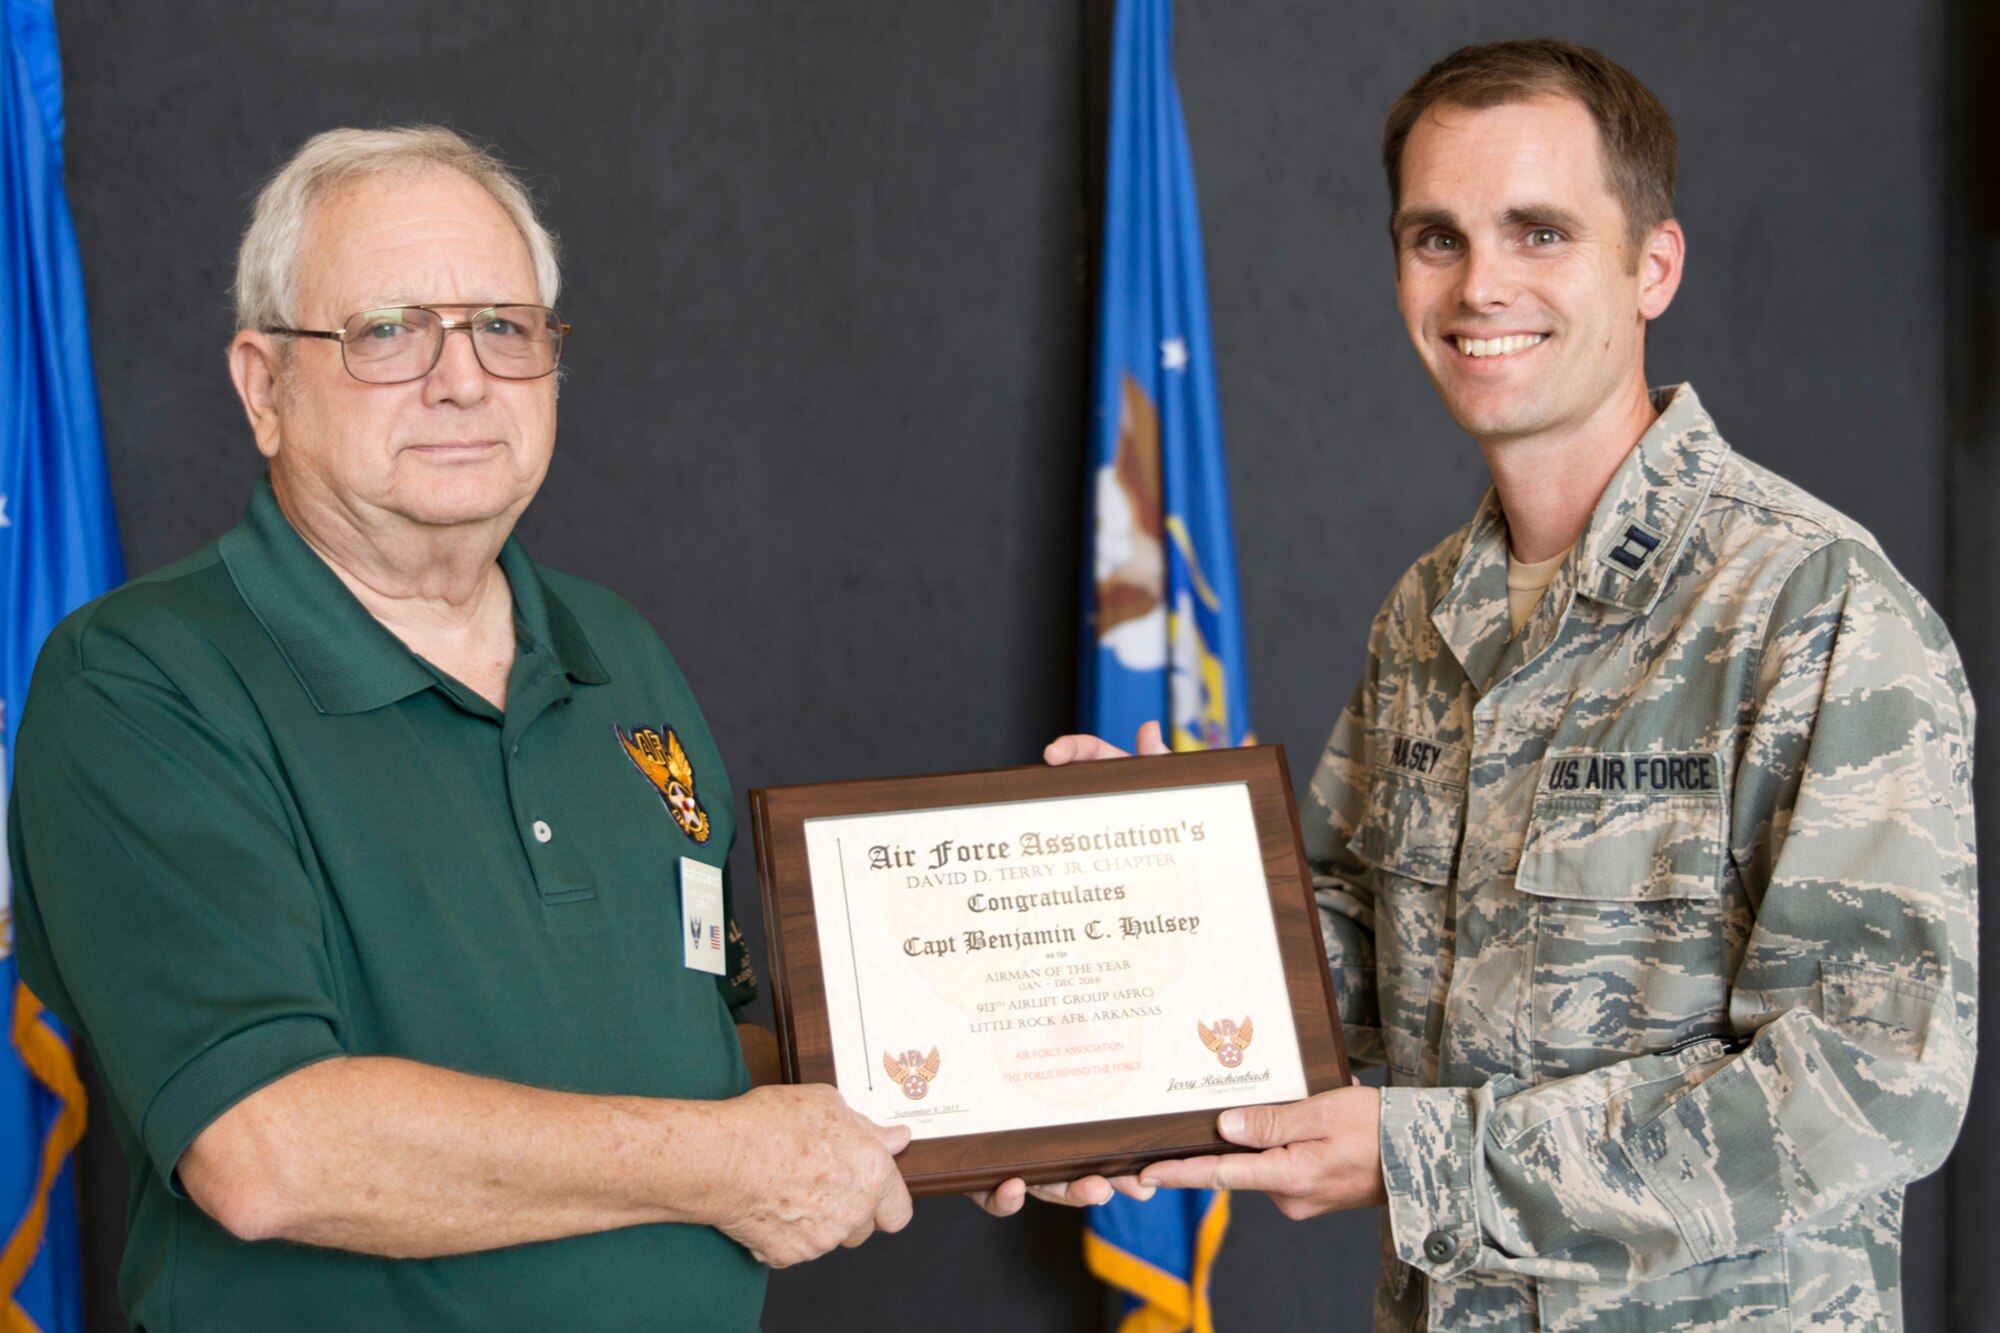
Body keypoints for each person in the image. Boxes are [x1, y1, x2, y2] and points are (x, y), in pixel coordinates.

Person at [1024, 38, 1978, 1330]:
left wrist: (1431, 1164)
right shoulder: (1428, 614)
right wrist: (1153, 894)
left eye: (1539, 234)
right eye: (1437, 238)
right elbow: (1348, 968)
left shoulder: (1812, 609)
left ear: (1653, 266)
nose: (1481, 287)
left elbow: (1876, 1081)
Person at [6, 126, 912, 1332]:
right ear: (262, 386)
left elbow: (716, 1050)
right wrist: (732, 1164)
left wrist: (1030, 1050)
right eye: (388, 329)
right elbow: (267, 1146)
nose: (463, 377)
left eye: (504, 324)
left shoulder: (617, 655)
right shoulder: (140, 682)